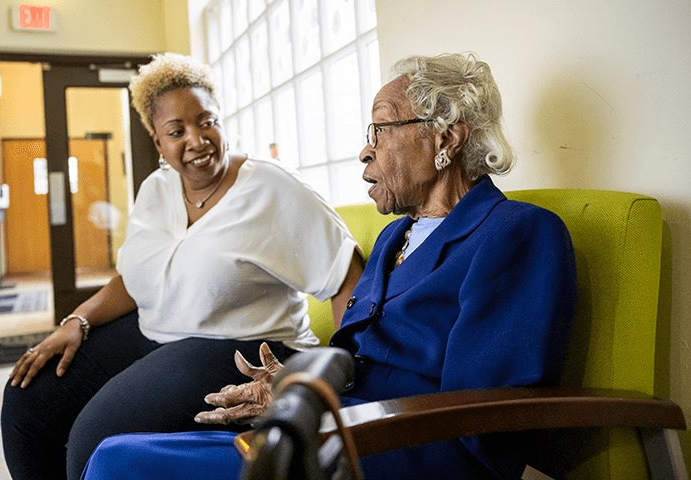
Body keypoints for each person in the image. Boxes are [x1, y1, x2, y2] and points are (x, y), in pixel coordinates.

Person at [79, 52, 578, 480]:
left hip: (402, 448)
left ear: (445, 139)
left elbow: (482, 421)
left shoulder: (516, 232)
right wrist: (294, 386)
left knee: (118, 463)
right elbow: (356, 358)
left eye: (381, 129)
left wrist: (320, 410)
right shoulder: (394, 236)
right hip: (339, 426)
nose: (366, 149)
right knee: (118, 454)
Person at [0, 52, 365, 480]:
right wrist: (77, 320)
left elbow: (347, 277)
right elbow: (135, 280)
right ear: (158, 142)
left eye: (206, 121)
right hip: (153, 330)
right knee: (27, 400)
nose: (196, 139)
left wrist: (341, 377)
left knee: (95, 437)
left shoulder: (272, 187)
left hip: (240, 346)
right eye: (176, 131)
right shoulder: (156, 189)